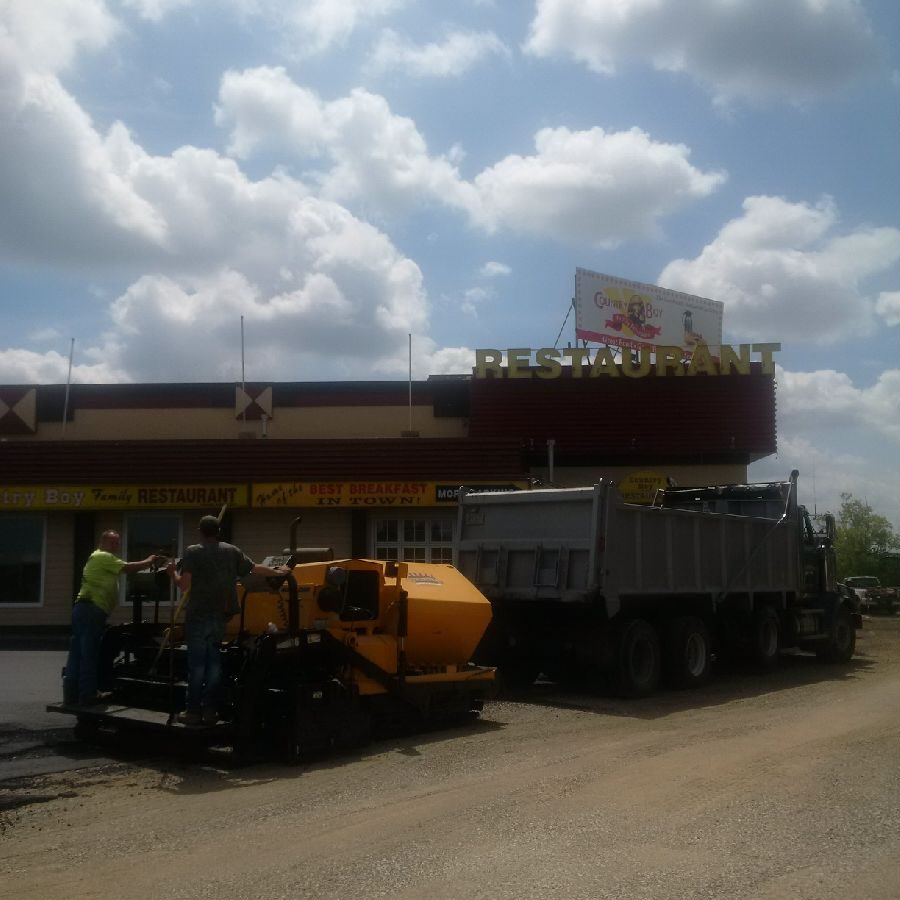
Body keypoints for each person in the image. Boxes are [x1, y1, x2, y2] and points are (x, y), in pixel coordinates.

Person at [167, 515, 289, 726]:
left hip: (199, 613)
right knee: (213, 663)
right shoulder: (231, 551)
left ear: (200, 531)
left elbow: (184, 586)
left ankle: (193, 711)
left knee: (197, 665)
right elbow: (254, 568)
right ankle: (210, 711)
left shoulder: (193, 552)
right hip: (221, 614)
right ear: (218, 531)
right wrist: (278, 571)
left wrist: (172, 574)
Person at [64, 531, 163, 706]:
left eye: (117, 543)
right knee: (89, 654)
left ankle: (71, 693)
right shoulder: (103, 556)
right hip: (92, 610)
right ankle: (87, 695)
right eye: (113, 543)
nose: (116, 546)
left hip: (83, 609)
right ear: (103, 542)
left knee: (77, 652)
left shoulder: (97, 558)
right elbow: (127, 568)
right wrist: (149, 561)